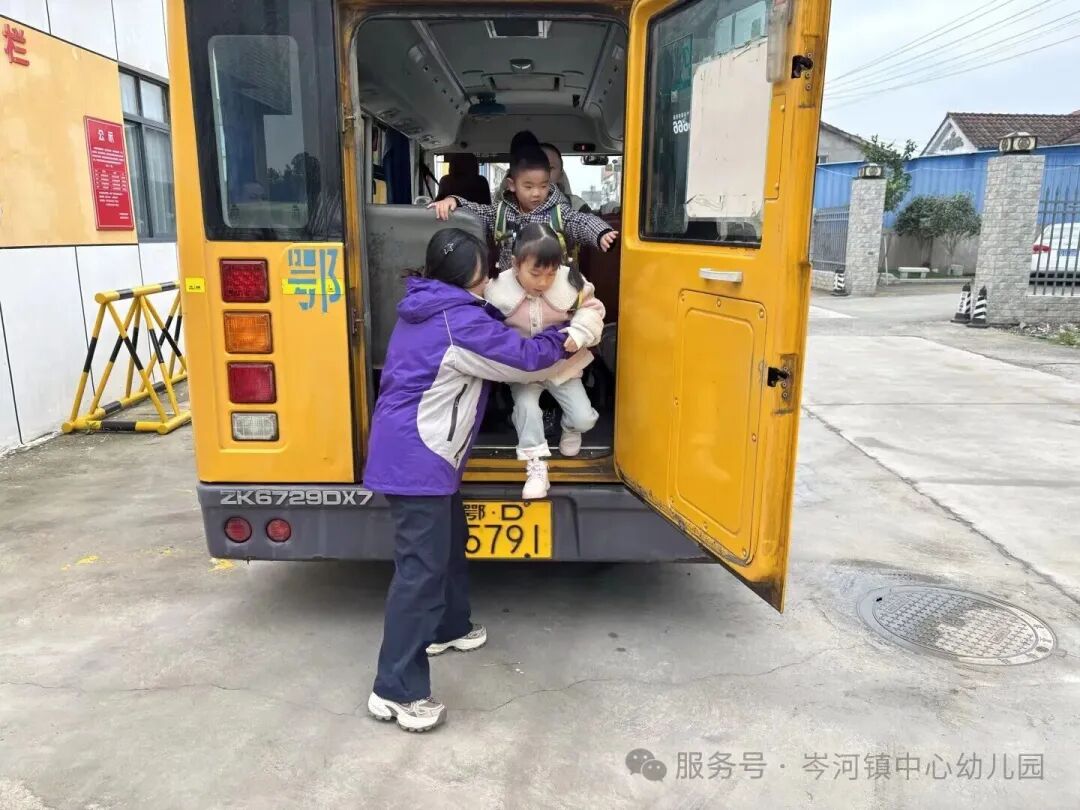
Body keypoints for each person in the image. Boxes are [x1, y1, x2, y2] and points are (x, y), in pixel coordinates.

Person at [363, 228, 570, 732]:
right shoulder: (456, 321)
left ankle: (449, 627)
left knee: (449, 544)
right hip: (418, 460)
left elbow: (484, 322)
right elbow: (522, 361)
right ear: (467, 279)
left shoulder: (429, 304)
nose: (490, 282)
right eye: (485, 275)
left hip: (422, 454)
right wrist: (571, 333)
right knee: (420, 574)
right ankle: (394, 690)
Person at [484, 223, 605, 498]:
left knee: (584, 419)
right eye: (535, 273)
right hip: (522, 370)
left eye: (550, 274)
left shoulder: (571, 281)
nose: (543, 282)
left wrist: (580, 331)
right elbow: (486, 327)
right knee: (527, 409)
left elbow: (592, 309)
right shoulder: (497, 289)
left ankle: (568, 428)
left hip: (562, 366)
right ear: (516, 265)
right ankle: (536, 467)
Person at [430, 143, 619, 273]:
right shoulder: (501, 211)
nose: (536, 193)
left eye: (543, 186)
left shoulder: (558, 212)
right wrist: (454, 201)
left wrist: (601, 232)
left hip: (548, 286)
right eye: (528, 187)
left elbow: (581, 221)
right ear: (512, 185)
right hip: (510, 289)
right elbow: (478, 212)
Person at [540, 142, 591, 212]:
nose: (541, 173)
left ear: (560, 176)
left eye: (549, 168)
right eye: (533, 167)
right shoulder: (519, 208)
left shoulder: (575, 206)